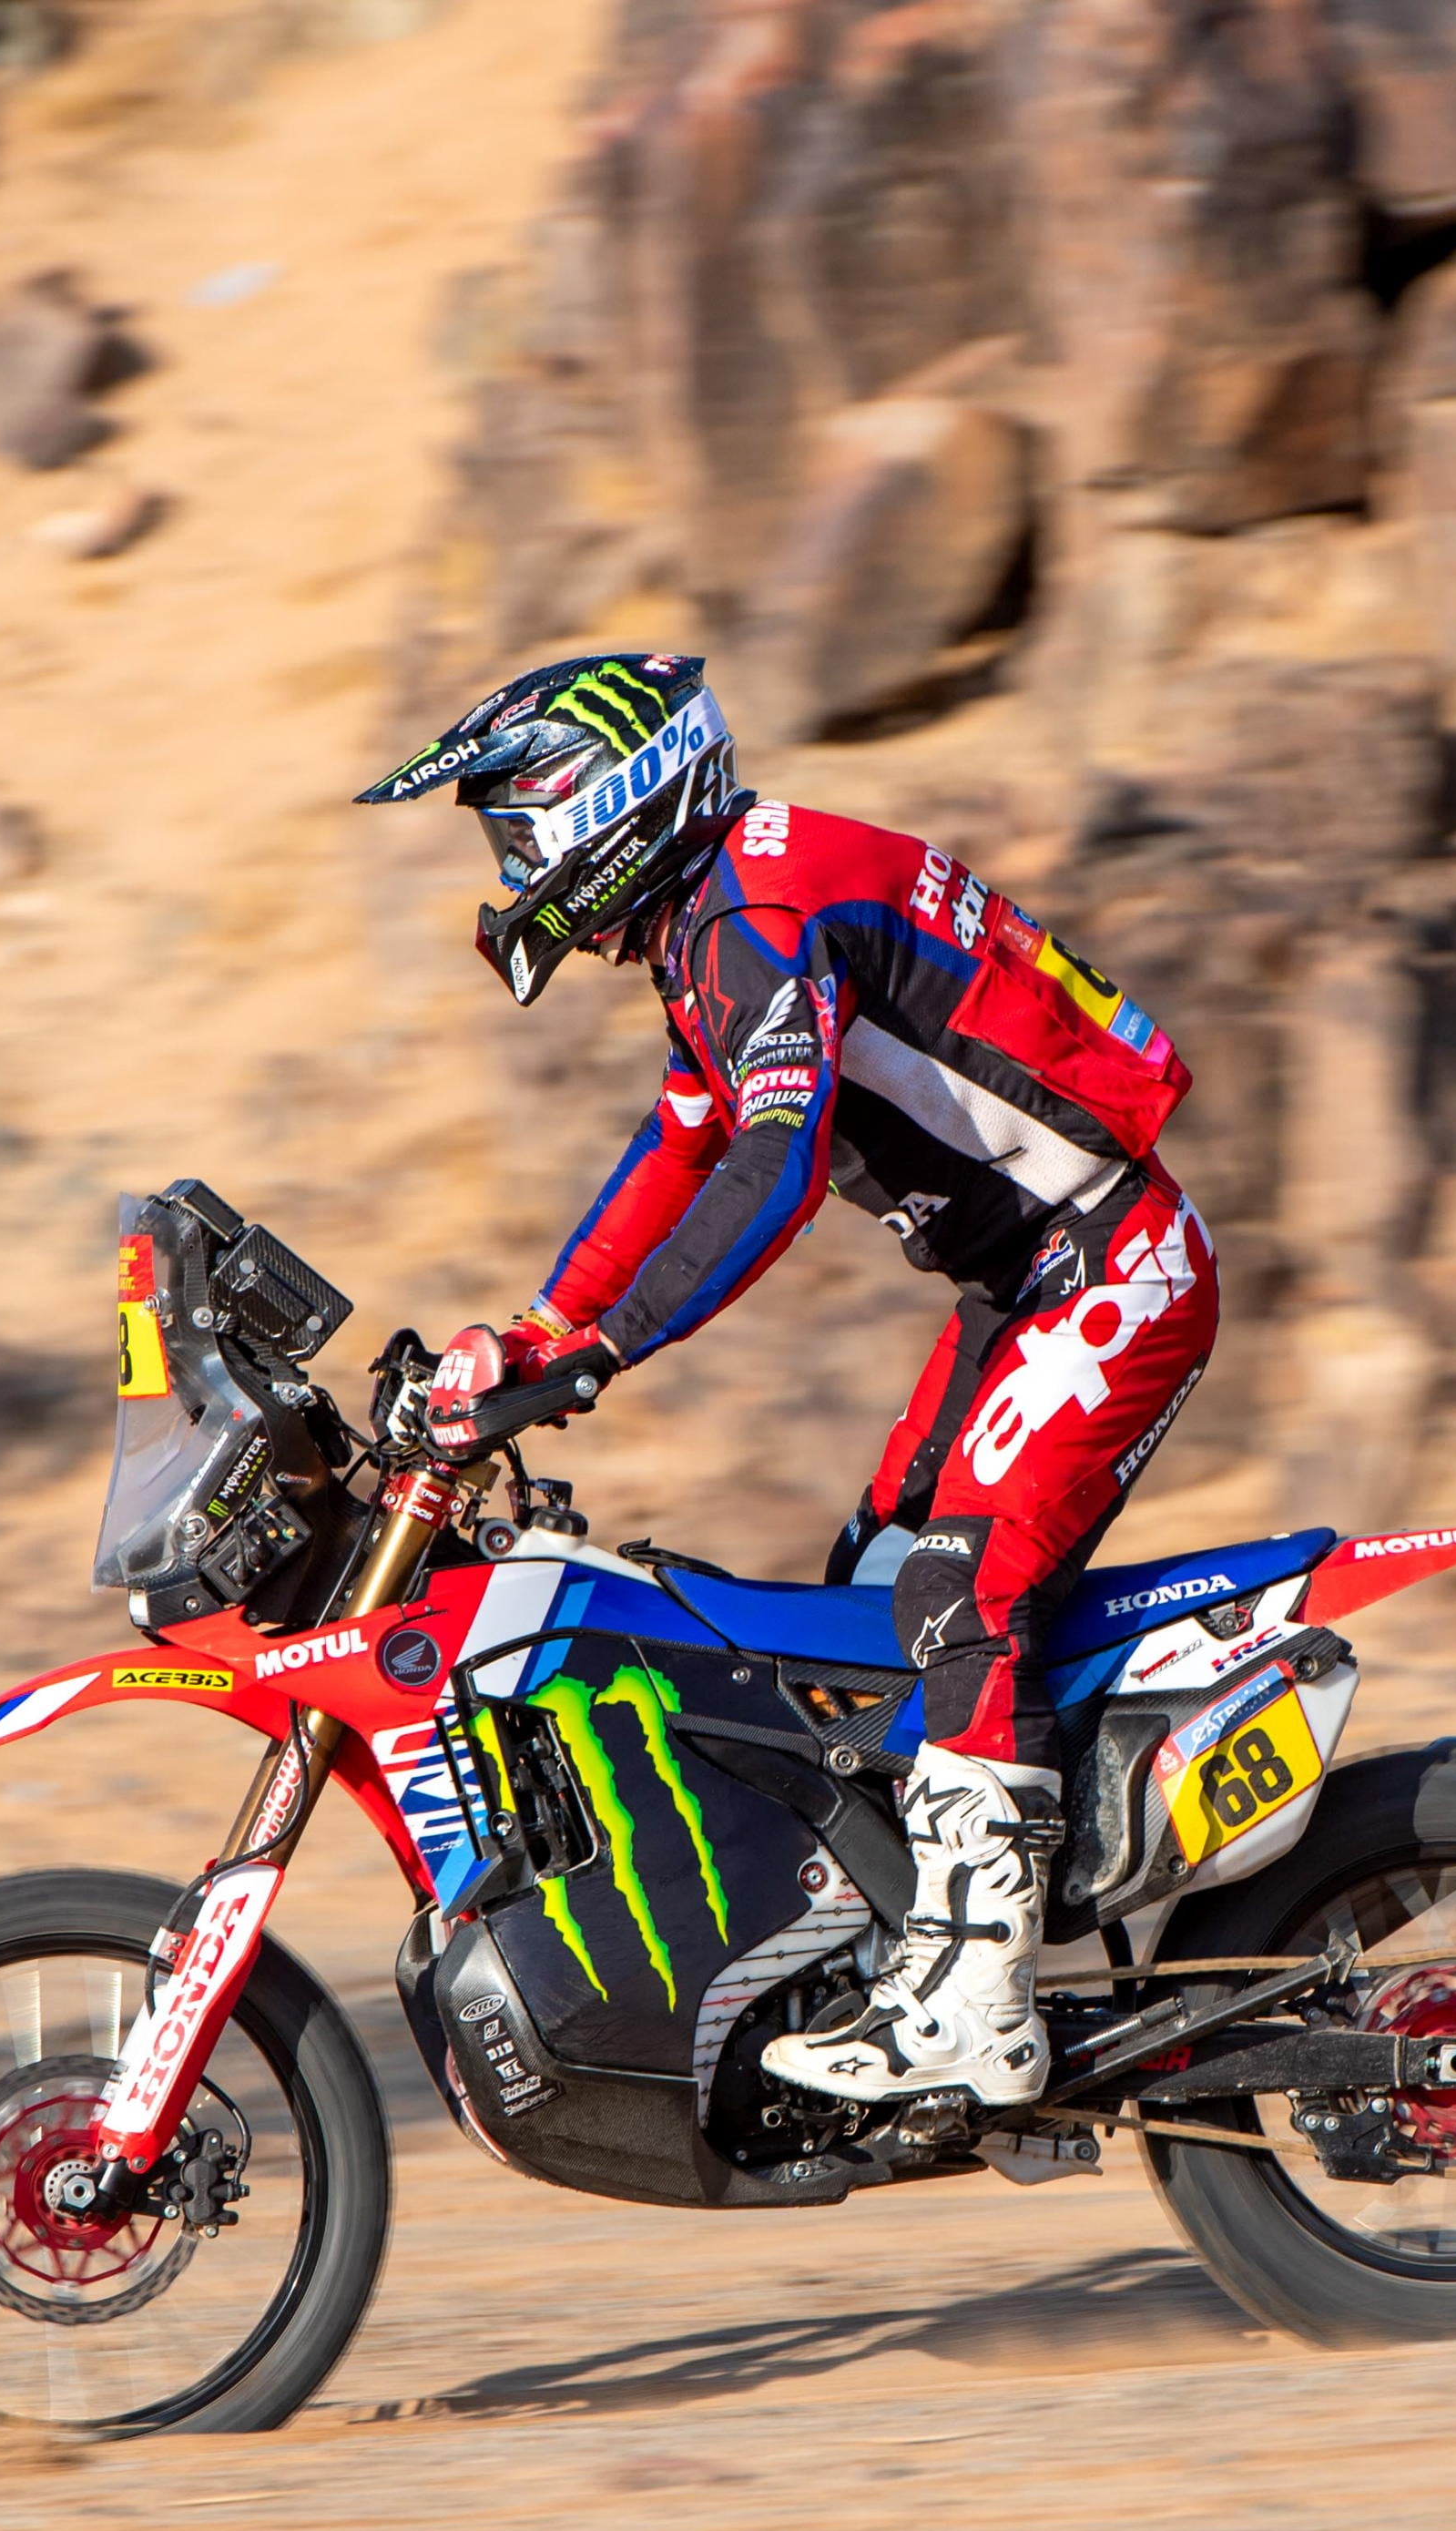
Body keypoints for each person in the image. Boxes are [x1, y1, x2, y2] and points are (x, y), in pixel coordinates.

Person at [356, 651, 1217, 2110]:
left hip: (1114, 1264)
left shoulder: (754, 915)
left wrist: (604, 1349)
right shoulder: (721, 917)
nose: (510, 870)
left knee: (957, 1590)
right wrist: (537, 1323)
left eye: (519, 830)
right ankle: (936, 1926)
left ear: (606, 798)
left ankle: (980, 1996)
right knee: (863, 1612)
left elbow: (778, 1158)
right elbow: (684, 1139)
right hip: (1031, 1285)